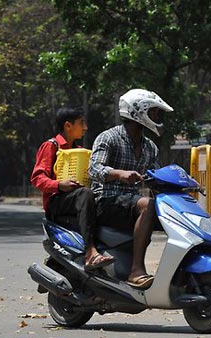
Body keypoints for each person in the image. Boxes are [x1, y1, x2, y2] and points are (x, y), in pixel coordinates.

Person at [88, 89, 173, 290]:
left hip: (130, 204)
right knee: (148, 205)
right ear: (137, 112)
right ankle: (136, 270)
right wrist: (119, 174)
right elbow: (93, 168)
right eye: (152, 112)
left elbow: (156, 175)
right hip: (106, 202)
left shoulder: (150, 147)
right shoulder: (108, 137)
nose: (156, 117)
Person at [31, 107, 114, 270]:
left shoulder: (78, 150)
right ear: (68, 126)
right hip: (56, 201)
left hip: (75, 199)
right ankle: (91, 253)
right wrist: (59, 185)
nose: (85, 128)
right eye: (81, 123)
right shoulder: (51, 146)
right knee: (85, 194)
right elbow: (37, 178)